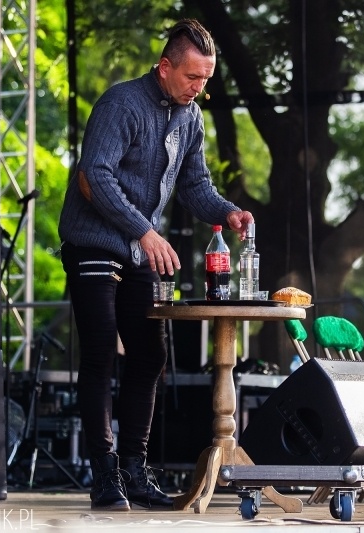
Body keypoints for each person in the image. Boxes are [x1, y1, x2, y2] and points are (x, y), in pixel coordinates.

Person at [58, 19, 253, 511]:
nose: (199, 88)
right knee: (101, 350)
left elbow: (194, 187)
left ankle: (135, 472)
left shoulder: (190, 117)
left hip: (136, 247)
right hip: (94, 241)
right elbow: (94, 175)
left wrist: (226, 211)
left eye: (206, 79)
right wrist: (144, 230)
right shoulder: (121, 104)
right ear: (165, 67)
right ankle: (104, 476)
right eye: (192, 77)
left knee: (149, 357)